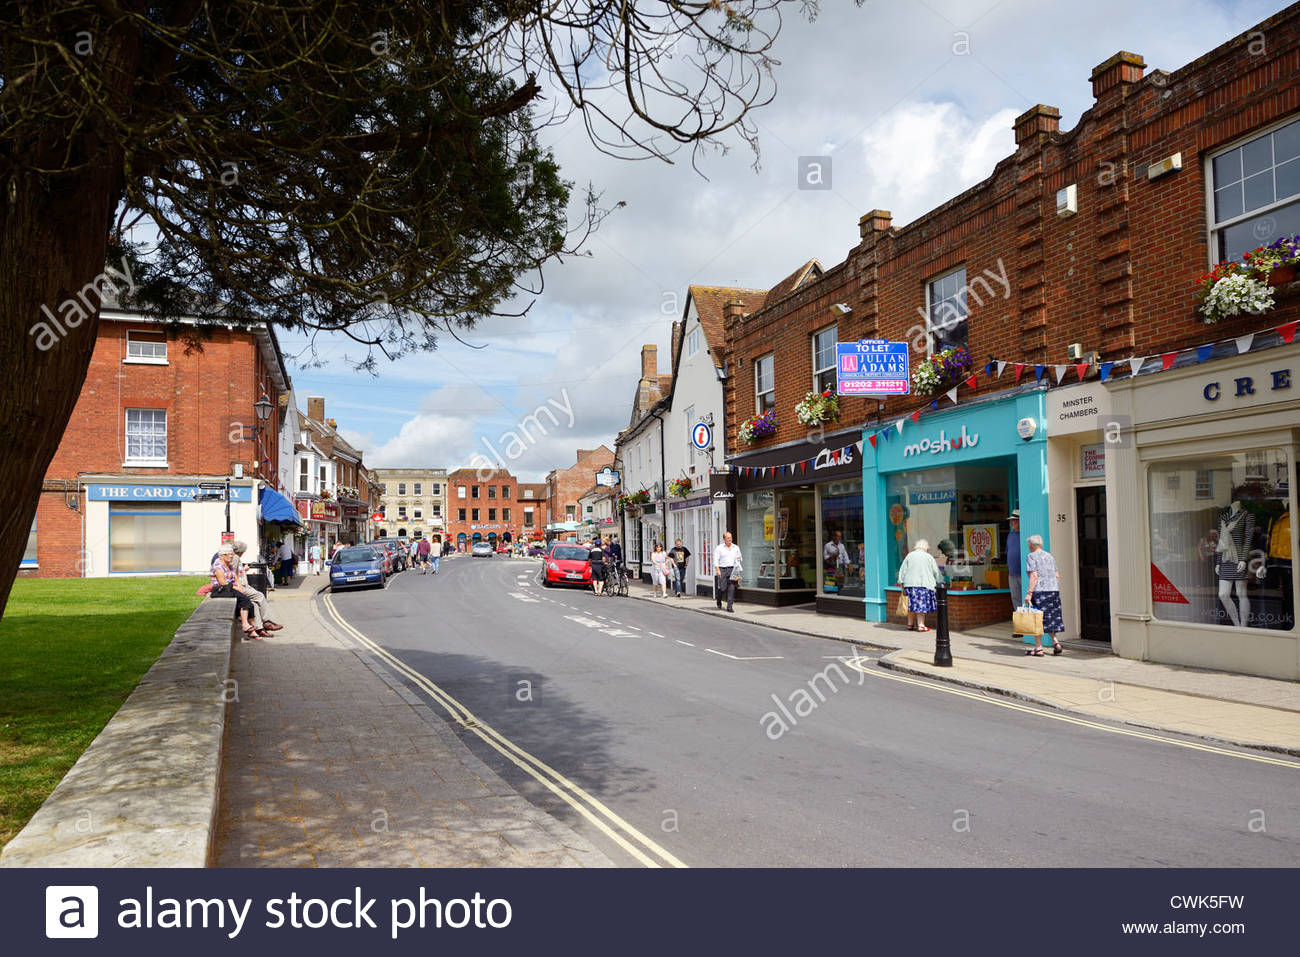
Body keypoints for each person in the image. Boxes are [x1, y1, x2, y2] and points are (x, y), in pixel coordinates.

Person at [212, 543, 263, 639]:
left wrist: (240, 587)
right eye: (229, 554)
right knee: (245, 599)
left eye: (232, 554)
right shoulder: (218, 566)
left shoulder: (229, 564)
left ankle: (251, 628)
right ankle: (245, 625)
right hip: (221, 590)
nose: (232, 556)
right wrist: (237, 589)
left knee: (250, 603)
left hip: (230, 588)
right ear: (222, 555)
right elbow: (223, 582)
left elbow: (235, 577)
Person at [1024, 533, 1064, 656]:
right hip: (1053, 590)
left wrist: (1029, 593)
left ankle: (1039, 648)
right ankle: (1056, 642)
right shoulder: (1050, 556)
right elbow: (1057, 575)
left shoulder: (1031, 556)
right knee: (1051, 617)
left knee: (1037, 619)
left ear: (1030, 545)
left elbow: (1034, 575)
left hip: (1040, 592)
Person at [231, 541, 283, 634]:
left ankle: (259, 628)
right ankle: (267, 621)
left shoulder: (235, 557)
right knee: (260, 596)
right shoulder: (235, 558)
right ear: (242, 551)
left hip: (242, 585)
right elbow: (232, 573)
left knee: (254, 604)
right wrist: (240, 585)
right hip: (239, 586)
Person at [897, 539, 942, 633]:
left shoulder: (910, 555)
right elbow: (936, 571)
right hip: (923, 584)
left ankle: (910, 624)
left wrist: (901, 582)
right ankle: (921, 625)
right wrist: (941, 581)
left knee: (910, 605)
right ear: (926, 548)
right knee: (921, 606)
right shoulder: (928, 557)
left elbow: (903, 570)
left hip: (909, 584)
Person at [713, 531, 742, 612]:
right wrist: (717, 570)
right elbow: (715, 560)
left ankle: (729, 607)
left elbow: (739, 559)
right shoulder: (719, 548)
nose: (730, 539)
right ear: (724, 539)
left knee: (731, 588)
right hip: (722, 569)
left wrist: (737, 571)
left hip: (732, 569)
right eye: (728, 538)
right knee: (722, 588)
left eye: (731, 538)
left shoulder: (736, 547)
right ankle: (719, 600)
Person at [1006, 509, 1023, 626]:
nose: (1012, 524)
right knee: (1015, 599)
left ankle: (1028, 627)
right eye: (1011, 521)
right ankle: (1020, 627)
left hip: (1024, 573)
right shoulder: (1010, 535)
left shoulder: (1025, 534)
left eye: (1014, 521)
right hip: (1012, 573)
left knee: (1026, 600)